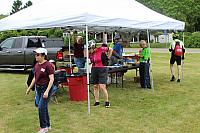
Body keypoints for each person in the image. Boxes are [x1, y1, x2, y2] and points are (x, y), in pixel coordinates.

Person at [26, 48, 54, 133]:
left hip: (46, 88)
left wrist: (47, 91)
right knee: (43, 107)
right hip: (38, 88)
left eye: (38, 55)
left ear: (43, 55)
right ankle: (48, 125)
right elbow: (35, 78)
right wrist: (29, 88)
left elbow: (52, 79)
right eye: (35, 54)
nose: (36, 56)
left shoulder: (48, 65)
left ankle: (43, 127)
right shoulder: (37, 65)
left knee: (41, 108)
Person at [89, 40, 113, 107]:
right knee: (95, 86)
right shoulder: (90, 54)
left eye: (90, 49)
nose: (89, 51)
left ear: (93, 47)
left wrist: (108, 57)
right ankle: (97, 101)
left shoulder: (100, 49)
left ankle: (107, 101)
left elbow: (111, 49)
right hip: (94, 69)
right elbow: (92, 61)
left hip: (102, 69)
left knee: (102, 86)